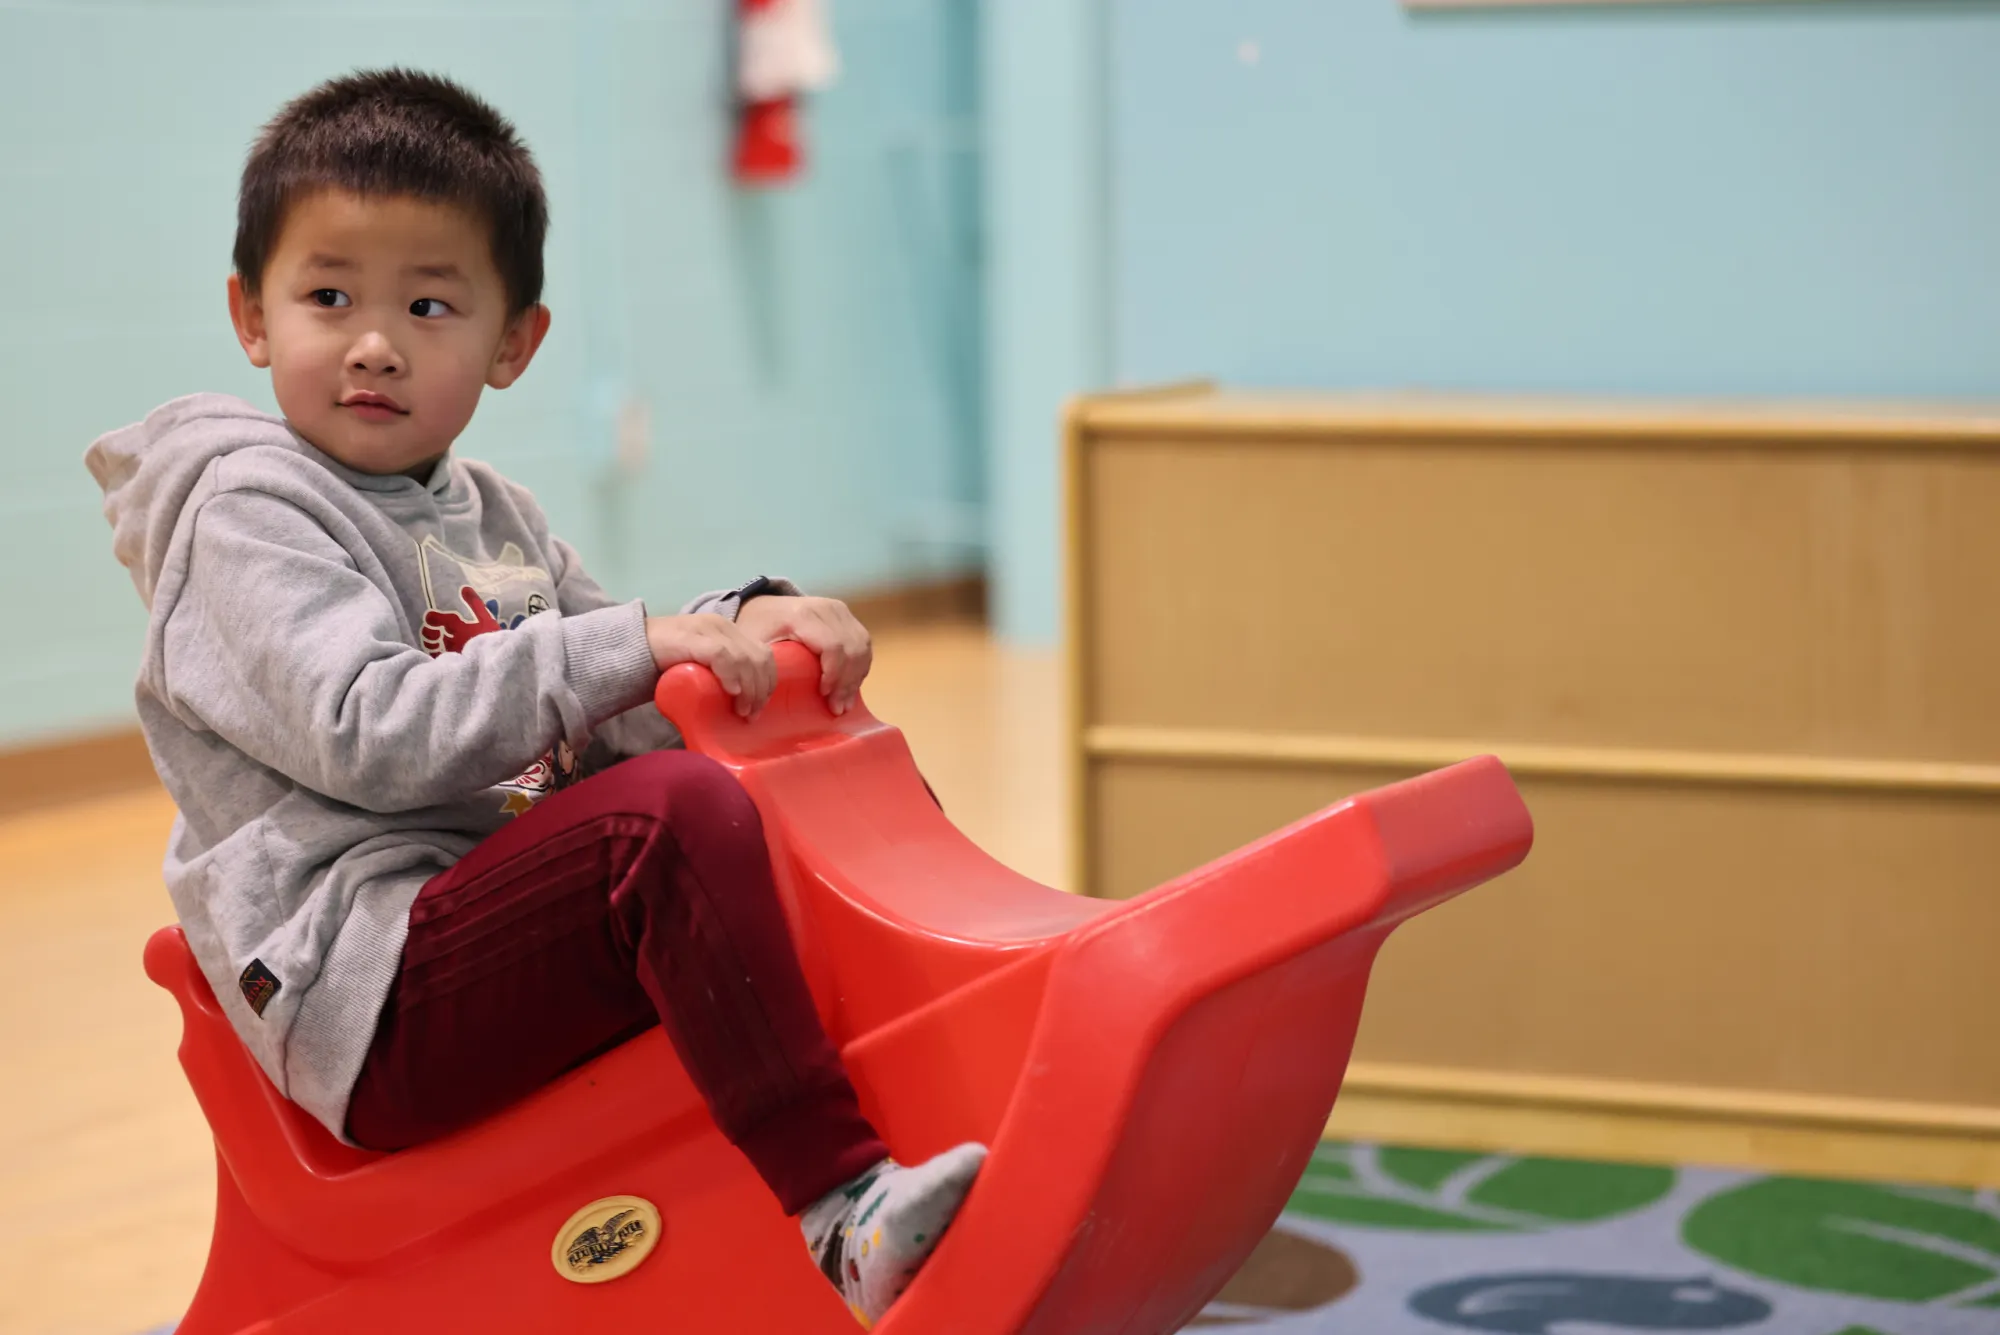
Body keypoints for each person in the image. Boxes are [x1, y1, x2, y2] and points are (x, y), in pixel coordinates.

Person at [85, 67, 980, 1328]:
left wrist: (746, 631)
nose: (374, 342)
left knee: (778, 764)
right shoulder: (245, 515)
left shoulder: (495, 511)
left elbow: (625, 712)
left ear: (512, 343)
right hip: (371, 982)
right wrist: (630, 647)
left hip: (493, 927)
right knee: (660, 823)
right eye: (328, 296)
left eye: (428, 304)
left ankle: (959, 1049)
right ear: (251, 314)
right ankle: (841, 1208)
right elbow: (368, 730)